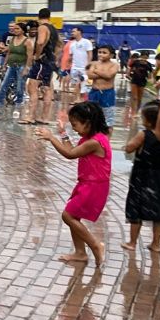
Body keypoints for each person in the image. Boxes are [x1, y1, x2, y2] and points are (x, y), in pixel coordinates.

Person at [35, 102, 110, 266]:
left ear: (88, 123)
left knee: (67, 216)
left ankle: (96, 245)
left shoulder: (95, 142)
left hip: (94, 186)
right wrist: (63, 134)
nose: (74, 128)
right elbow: (72, 151)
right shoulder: (89, 139)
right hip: (87, 184)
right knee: (73, 216)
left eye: (75, 125)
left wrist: (52, 138)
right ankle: (80, 253)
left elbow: (70, 154)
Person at [122, 101, 160, 253]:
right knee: (159, 211)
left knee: (136, 208)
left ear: (148, 121)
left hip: (141, 178)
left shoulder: (144, 134)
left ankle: (132, 242)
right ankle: (156, 243)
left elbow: (130, 148)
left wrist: (128, 145)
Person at [21, 8, 60, 125]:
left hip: (42, 62)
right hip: (49, 62)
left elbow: (40, 42)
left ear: (39, 16)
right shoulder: (54, 29)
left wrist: (37, 55)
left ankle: (30, 117)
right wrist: (54, 56)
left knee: (32, 87)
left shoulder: (42, 27)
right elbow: (60, 44)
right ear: (49, 16)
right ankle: (44, 118)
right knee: (47, 88)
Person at [0, 21, 32, 115]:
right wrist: (4, 65)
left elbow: (30, 56)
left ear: (23, 30)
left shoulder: (27, 41)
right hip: (11, 66)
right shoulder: (13, 39)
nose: (15, 30)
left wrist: (27, 68)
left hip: (21, 66)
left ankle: (18, 107)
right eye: (14, 28)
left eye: (17, 28)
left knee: (19, 88)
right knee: (4, 85)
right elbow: (9, 53)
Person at [86, 45, 118, 128]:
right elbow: (90, 75)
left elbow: (109, 75)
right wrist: (104, 74)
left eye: (104, 53)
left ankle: (107, 134)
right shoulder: (94, 63)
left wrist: (96, 71)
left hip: (107, 93)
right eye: (99, 52)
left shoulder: (114, 65)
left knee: (108, 117)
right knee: (91, 114)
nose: (101, 54)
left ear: (111, 55)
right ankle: (94, 132)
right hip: (94, 92)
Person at [67, 27, 94, 95]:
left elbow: (90, 54)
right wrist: (69, 65)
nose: (72, 33)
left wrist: (88, 65)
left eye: (74, 31)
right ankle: (77, 98)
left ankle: (86, 98)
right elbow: (71, 56)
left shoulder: (86, 42)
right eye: (72, 32)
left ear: (79, 32)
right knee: (75, 84)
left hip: (84, 67)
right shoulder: (72, 44)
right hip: (75, 67)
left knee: (86, 85)